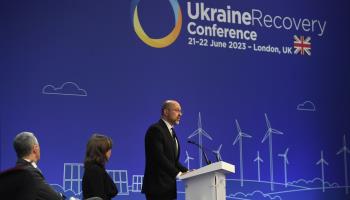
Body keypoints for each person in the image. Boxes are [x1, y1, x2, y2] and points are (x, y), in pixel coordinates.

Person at [142, 100, 188, 200]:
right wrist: (178, 173)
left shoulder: (171, 131)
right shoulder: (156, 130)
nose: (180, 114)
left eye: (181, 111)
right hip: (157, 187)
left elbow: (173, 160)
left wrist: (187, 172)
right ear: (166, 112)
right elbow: (159, 157)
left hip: (169, 188)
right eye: (177, 110)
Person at [13, 131, 64, 200]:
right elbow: (54, 198)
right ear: (35, 149)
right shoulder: (30, 173)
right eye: (39, 146)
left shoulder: (15, 172)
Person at [82, 134, 118, 200]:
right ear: (100, 151)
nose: (110, 152)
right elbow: (99, 197)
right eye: (108, 149)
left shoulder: (96, 168)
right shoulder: (94, 170)